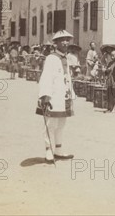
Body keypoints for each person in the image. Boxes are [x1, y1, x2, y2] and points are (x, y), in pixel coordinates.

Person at [36, 30, 76, 164]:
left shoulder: (67, 58)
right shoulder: (51, 58)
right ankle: (48, 150)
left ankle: (58, 149)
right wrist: (45, 95)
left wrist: (71, 93)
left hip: (64, 96)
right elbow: (46, 77)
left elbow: (67, 77)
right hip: (53, 96)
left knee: (61, 123)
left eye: (67, 40)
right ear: (56, 43)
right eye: (62, 40)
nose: (65, 42)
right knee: (50, 123)